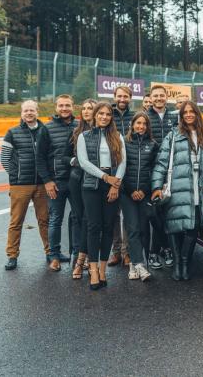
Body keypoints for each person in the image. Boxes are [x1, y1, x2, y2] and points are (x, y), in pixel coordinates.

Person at [152, 101, 203, 281]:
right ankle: (178, 264)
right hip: (176, 187)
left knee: (192, 227)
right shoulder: (173, 135)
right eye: (185, 112)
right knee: (174, 226)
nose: (188, 115)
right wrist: (156, 186)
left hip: (196, 187)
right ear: (181, 115)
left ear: (197, 114)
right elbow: (161, 162)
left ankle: (185, 262)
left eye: (191, 111)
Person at [77, 102, 126, 290]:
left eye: (108, 114)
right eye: (101, 113)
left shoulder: (117, 136)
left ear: (111, 117)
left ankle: (104, 270)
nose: (104, 117)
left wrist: (116, 184)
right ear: (95, 115)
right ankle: (94, 270)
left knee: (107, 227)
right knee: (93, 227)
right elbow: (83, 162)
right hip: (92, 185)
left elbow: (122, 162)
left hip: (113, 185)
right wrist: (106, 177)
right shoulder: (84, 136)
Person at [2, 100, 50, 271]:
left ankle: (50, 252)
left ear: (37, 112)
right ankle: (12, 255)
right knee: (16, 221)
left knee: (45, 220)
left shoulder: (46, 131)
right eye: (26, 110)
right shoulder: (12, 132)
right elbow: (5, 159)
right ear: (21, 113)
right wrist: (16, 177)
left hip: (42, 185)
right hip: (20, 185)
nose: (29, 113)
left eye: (32, 110)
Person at [37, 94, 78, 271]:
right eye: (61, 106)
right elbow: (39, 158)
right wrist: (47, 181)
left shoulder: (80, 126)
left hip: (77, 181)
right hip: (57, 182)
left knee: (78, 218)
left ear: (72, 107)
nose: (64, 109)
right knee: (55, 219)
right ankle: (54, 256)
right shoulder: (47, 128)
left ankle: (77, 254)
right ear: (56, 108)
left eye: (67, 105)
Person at [120, 112, 158, 282]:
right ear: (132, 124)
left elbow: (154, 170)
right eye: (138, 123)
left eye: (144, 124)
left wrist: (143, 189)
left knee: (143, 229)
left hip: (145, 193)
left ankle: (136, 264)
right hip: (127, 193)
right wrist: (130, 190)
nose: (141, 126)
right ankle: (138, 264)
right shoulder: (124, 142)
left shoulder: (153, 144)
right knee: (132, 228)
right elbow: (120, 168)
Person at [145, 85, 178, 269]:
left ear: (166, 97)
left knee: (166, 214)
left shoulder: (174, 117)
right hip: (151, 172)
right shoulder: (145, 117)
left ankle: (164, 249)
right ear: (151, 98)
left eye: (162, 95)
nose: (159, 98)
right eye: (155, 96)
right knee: (153, 214)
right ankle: (154, 251)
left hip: (171, 173)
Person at [65, 98, 96, 279]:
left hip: (95, 181)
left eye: (90, 108)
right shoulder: (75, 131)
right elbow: (62, 155)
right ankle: (77, 256)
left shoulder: (103, 131)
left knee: (91, 220)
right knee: (78, 217)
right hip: (76, 179)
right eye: (83, 108)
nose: (86, 111)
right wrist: (73, 161)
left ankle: (88, 257)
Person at [109, 85, 135, 267]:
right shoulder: (108, 114)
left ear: (130, 98)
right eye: (119, 96)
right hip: (111, 170)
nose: (122, 99)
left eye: (126, 96)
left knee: (127, 215)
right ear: (114, 96)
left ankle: (127, 252)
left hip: (130, 169)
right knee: (113, 215)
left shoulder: (135, 116)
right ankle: (116, 251)